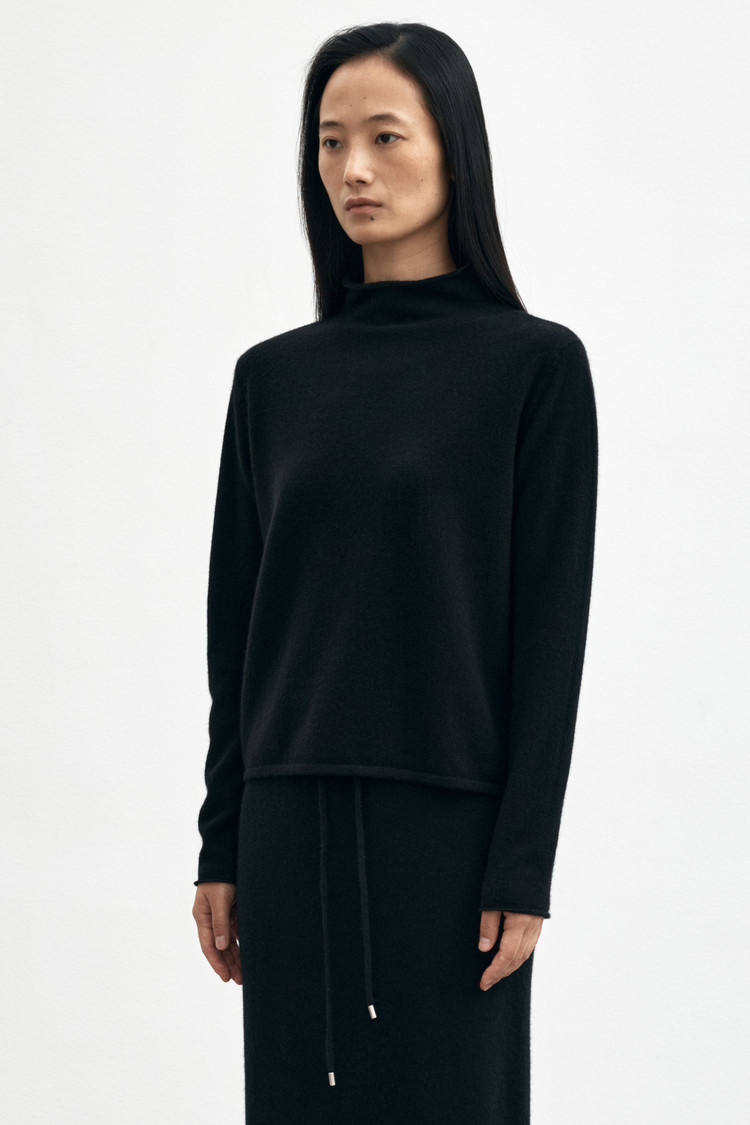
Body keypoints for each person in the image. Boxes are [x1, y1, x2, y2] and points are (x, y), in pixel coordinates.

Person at [191, 20, 598, 1125]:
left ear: (454, 147)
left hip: (452, 836)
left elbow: (550, 635)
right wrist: (222, 841)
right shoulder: (272, 380)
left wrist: (523, 861)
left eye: (384, 135)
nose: (353, 170)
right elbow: (238, 633)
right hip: (287, 823)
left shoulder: (535, 367)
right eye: (330, 142)